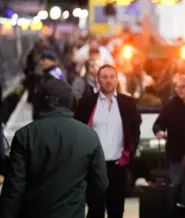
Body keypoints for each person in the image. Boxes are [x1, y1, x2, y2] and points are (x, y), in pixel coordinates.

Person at [0, 78, 109, 218]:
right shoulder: (90, 136)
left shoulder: (25, 135)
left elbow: (14, 189)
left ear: (41, 102)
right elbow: (100, 184)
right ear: (71, 102)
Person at [74, 64, 142, 218]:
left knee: (117, 210)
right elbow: (77, 131)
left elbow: (135, 130)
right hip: (94, 166)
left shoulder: (127, 103)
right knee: (95, 210)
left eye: (112, 77)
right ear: (98, 80)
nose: (108, 81)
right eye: (104, 77)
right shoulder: (86, 104)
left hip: (118, 165)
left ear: (117, 80)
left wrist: (128, 156)